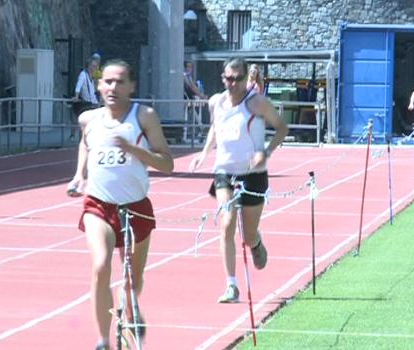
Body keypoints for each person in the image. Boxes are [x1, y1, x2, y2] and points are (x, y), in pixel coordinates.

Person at [66, 59, 174, 350]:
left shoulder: (145, 117)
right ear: (99, 85)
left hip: (136, 206)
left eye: (119, 82)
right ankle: (103, 340)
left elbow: (168, 163)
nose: (113, 87)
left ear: (131, 87)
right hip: (98, 206)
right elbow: (86, 144)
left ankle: (130, 306)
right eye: (108, 81)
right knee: (101, 265)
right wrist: (79, 176)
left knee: (132, 279)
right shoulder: (88, 119)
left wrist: (134, 150)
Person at [189, 57, 288, 303]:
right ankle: (231, 285)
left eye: (237, 79)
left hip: (253, 174)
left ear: (246, 79)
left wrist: (265, 152)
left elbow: (281, 128)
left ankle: (255, 243)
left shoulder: (257, 103)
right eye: (227, 78)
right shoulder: (216, 102)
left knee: (248, 234)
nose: (232, 83)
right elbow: (215, 127)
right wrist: (203, 154)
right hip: (224, 170)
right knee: (227, 221)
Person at [70, 56, 100, 141]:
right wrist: (76, 96)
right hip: (86, 104)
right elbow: (78, 86)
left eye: (96, 66)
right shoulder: (83, 74)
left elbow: (93, 91)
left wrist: (98, 101)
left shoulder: (92, 77)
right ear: (89, 66)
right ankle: (81, 139)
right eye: (94, 66)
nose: (95, 68)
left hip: (92, 103)